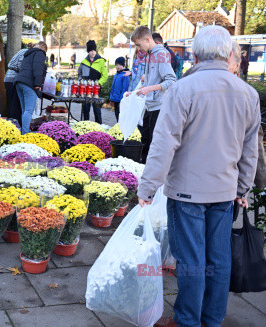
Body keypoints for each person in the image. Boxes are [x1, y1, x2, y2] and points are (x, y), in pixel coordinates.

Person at [138, 26, 260, 327]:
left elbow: (164, 144)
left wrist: (147, 187)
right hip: (224, 192)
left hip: (187, 193)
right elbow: (251, 150)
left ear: (194, 53)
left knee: (192, 261)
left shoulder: (183, 89)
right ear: (229, 53)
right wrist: (242, 188)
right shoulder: (247, 93)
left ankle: (188, 320)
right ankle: (213, 318)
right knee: (218, 259)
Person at [126, 26, 176, 163]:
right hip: (149, 106)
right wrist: (135, 92)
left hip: (159, 107)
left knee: (154, 145)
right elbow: (150, 82)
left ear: (147, 39)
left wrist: (150, 89)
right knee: (145, 141)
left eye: (138, 45)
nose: (138, 48)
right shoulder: (149, 54)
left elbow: (171, 81)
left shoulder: (161, 54)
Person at [229, 42, 266, 189]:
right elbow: (254, 142)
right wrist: (260, 181)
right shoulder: (247, 95)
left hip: (191, 182)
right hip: (230, 179)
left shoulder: (186, 88)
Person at [15, 41, 48, 134]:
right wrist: (38, 84)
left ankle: (24, 131)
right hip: (29, 84)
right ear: (44, 49)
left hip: (19, 82)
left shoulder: (29, 54)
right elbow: (37, 68)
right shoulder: (40, 53)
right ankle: (25, 135)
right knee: (28, 111)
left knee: (24, 110)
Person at [78, 40, 108, 124]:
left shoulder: (101, 61)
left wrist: (98, 84)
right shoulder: (84, 62)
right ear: (88, 51)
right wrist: (81, 81)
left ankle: (99, 128)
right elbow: (79, 73)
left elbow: (105, 75)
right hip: (85, 91)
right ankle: (85, 127)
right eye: (91, 51)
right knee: (85, 110)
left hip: (96, 90)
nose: (93, 52)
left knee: (97, 111)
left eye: (94, 50)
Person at [109, 57, 130, 122]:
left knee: (120, 116)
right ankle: (118, 128)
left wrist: (122, 100)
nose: (118, 66)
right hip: (115, 99)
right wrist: (111, 99)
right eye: (116, 65)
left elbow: (125, 89)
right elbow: (113, 88)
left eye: (120, 65)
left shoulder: (125, 75)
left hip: (120, 100)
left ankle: (121, 129)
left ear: (123, 65)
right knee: (116, 115)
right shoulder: (116, 75)